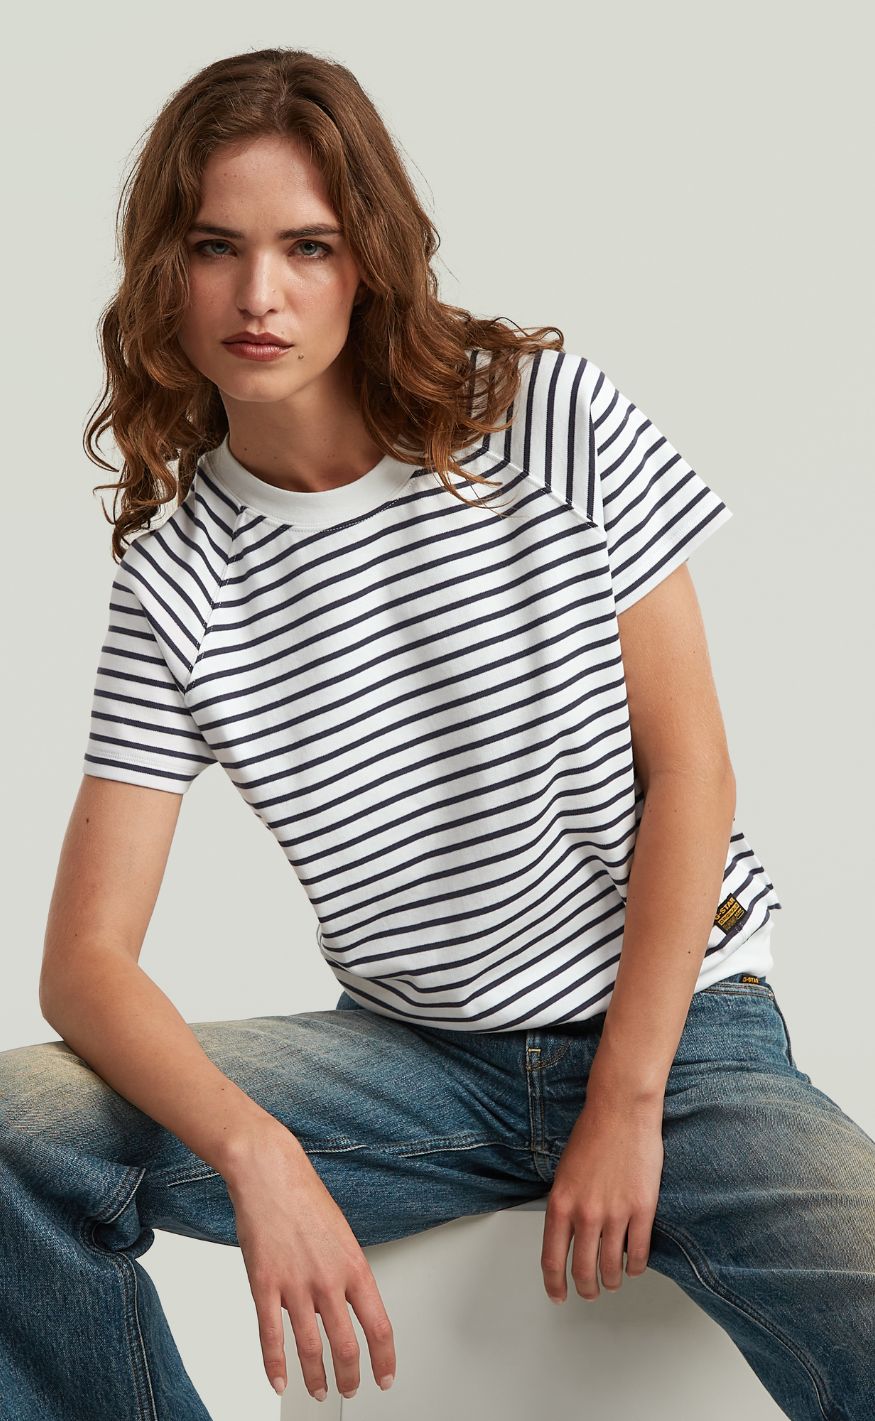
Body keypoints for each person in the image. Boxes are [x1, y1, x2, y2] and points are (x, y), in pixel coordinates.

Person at [1, 45, 872, 1421]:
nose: (260, 294)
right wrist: (259, 1152)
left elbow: (692, 771)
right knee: (15, 1132)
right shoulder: (178, 577)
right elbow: (85, 963)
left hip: (683, 1034)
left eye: (308, 246)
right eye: (216, 247)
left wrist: (627, 1100)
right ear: (164, 271)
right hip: (415, 1067)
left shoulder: (545, 418)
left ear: (369, 261)